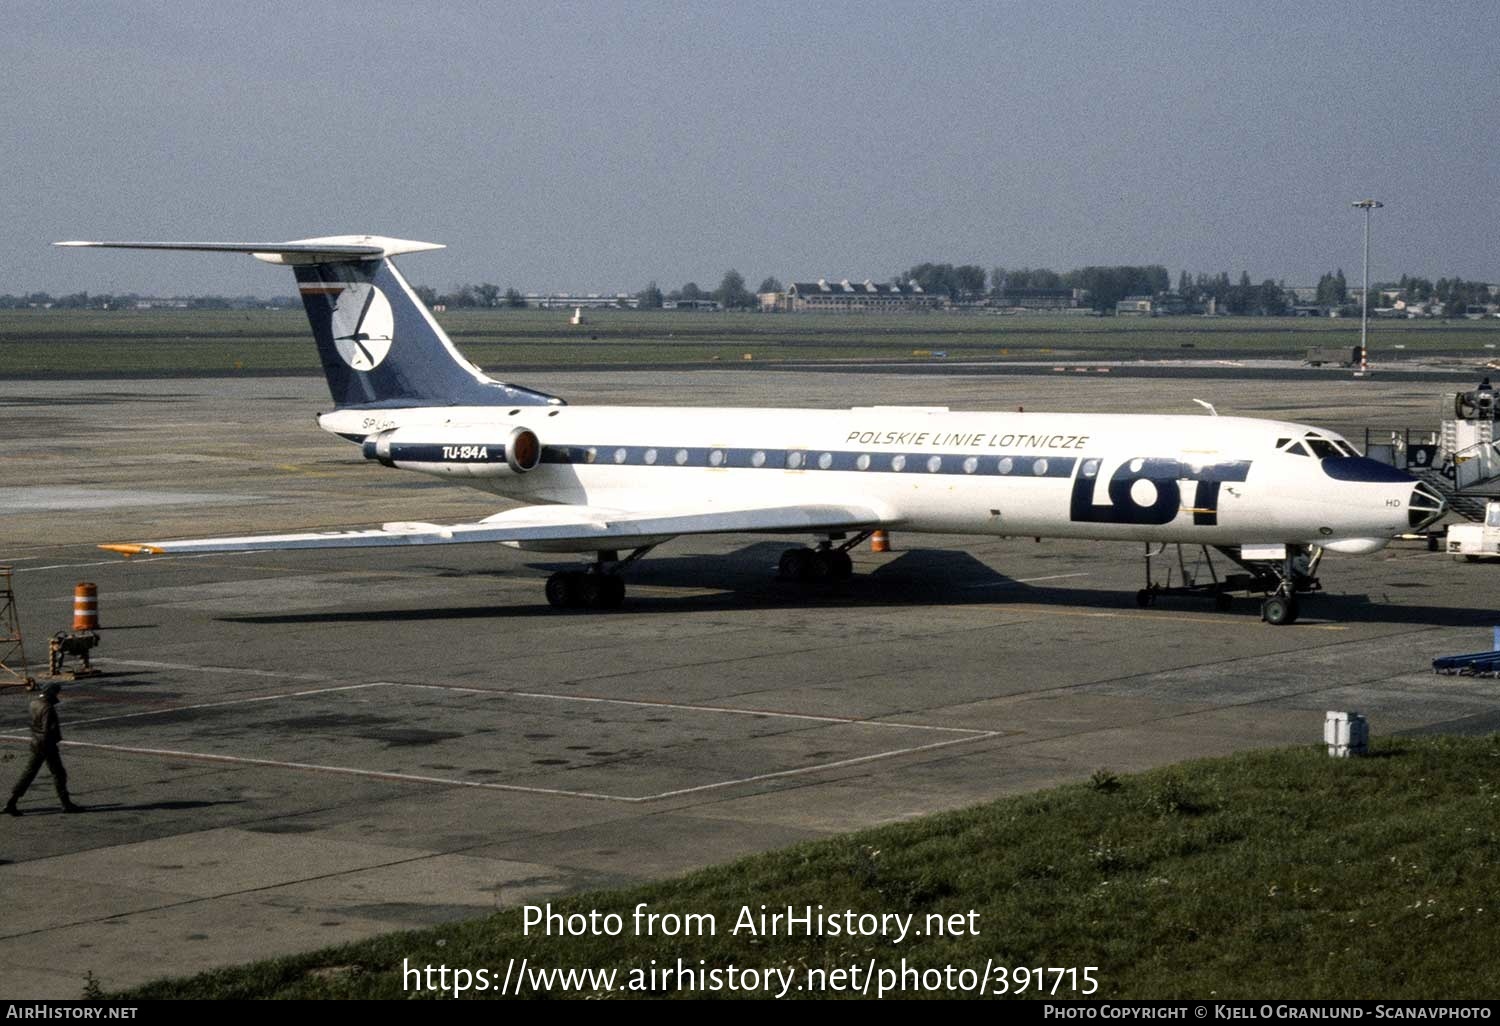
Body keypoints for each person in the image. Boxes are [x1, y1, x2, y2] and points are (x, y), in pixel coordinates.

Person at [5, 682, 81, 815]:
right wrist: (54, 740)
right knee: (59, 774)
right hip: (46, 745)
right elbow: (47, 730)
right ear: (51, 693)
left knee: (29, 773)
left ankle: (12, 801)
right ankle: (66, 803)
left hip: (36, 742)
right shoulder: (48, 708)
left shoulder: (34, 703)